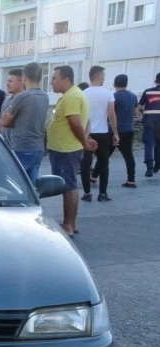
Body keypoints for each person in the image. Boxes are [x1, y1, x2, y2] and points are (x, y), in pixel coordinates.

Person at [47, 66, 97, 238]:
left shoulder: (72, 97)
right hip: (65, 148)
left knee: (68, 187)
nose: (51, 82)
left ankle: (68, 225)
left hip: (66, 150)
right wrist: (85, 139)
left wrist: (84, 141)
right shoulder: (72, 96)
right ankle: (70, 223)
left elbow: (75, 123)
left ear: (65, 80)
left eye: (54, 78)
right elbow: (87, 121)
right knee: (68, 185)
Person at [0, 62, 49, 184]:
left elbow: (5, 121)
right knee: (31, 185)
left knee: (15, 184)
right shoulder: (45, 96)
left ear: (24, 77)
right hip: (38, 147)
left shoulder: (22, 97)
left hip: (22, 147)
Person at [81, 65, 119, 202]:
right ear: (98, 76)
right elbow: (111, 115)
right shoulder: (108, 93)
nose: (104, 78)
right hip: (102, 133)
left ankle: (87, 193)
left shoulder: (83, 93)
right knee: (103, 163)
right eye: (103, 76)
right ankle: (102, 194)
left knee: (85, 164)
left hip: (86, 133)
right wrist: (115, 133)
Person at [109, 74, 139, 187]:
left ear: (114, 83)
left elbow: (110, 114)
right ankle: (131, 180)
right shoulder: (133, 96)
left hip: (115, 130)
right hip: (129, 129)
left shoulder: (113, 96)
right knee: (129, 156)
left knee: (105, 155)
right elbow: (135, 113)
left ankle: (94, 176)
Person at [138, 72, 160, 177]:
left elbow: (140, 107)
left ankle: (149, 168)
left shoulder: (147, 92)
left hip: (149, 120)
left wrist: (144, 113)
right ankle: (158, 164)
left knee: (149, 144)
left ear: (155, 81)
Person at [0, 68, 25, 148]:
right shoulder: (7, 100)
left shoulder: (26, 100)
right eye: (7, 81)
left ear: (21, 82)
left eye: (10, 81)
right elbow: (1, 122)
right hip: (4, 146)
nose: (7, 84)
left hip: (18, 147)